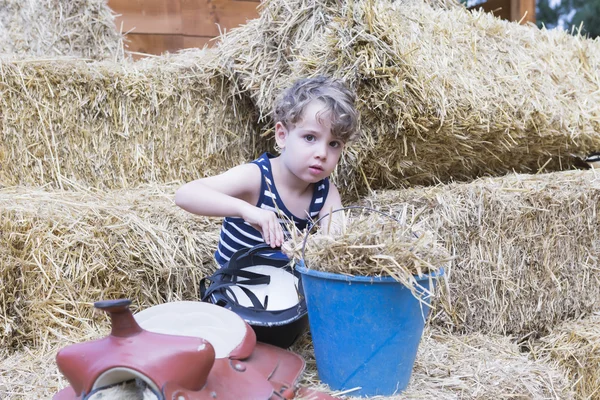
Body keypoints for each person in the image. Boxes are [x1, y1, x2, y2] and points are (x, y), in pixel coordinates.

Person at [175, 76, 359, 267]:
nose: (322, 153)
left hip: (288, 290)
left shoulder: (326, 193)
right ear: (282, 136)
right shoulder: (257, 177)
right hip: (234, 288)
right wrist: (246, 210)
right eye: (310, 138)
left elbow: (335, 245)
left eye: (334, 144)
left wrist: (309, 247)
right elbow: (185, 195)